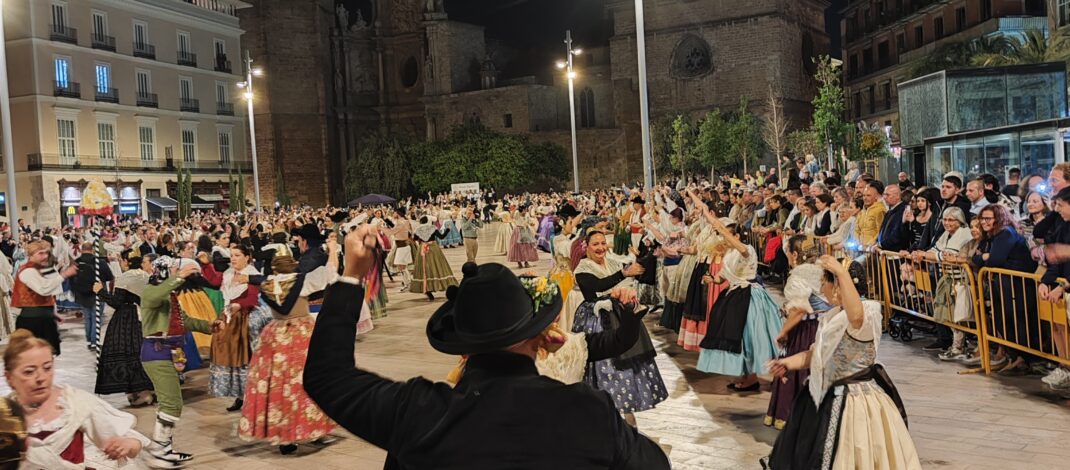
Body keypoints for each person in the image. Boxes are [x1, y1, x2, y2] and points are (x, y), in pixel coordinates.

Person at [303, 227, 670, 469]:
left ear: (462, 346)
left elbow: (327, 378)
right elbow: (654, 464)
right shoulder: (587, 411)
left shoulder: (420, 413)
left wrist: (351, 275)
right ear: (540, 334)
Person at [762, 256, 921, 470]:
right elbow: (815, 355)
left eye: (824, 282)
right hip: (823, 396)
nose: (821, 288)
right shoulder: (832, 316)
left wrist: (841, 272)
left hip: (855, 400)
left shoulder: (867, 312)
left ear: (838, 286)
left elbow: (856, 316)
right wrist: (787, 363)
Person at [239, 243, 339, 455]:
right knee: (310, 380)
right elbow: (331, 273)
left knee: (278, 385)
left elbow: (254, 279)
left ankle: (284, 437)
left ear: (274, 268)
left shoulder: (267, 284)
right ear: (293, 265)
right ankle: (316, 430)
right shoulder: (302, 282)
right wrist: (332, 250)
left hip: (275, 337)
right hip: (302, 335)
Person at [6, 329, 153, 469]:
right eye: (29, 372)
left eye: (47, 368)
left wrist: (126, 444)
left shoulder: (74, 403)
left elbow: (132, 443)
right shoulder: (5, 414)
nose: (41, 378)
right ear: (10, 377)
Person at [573, 230, 668, 425]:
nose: (600, 248)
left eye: (602, 243)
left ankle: (627, 409)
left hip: (620, 314)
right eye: (595, 244)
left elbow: (631, 274)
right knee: (605, 364)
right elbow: (599, 285)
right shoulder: (582, 269)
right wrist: (623, 273)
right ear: (587, 247)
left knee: (628, 357)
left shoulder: (612, 262)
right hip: (597, 320)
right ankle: (604, 409)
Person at [696, 209, 783, 393]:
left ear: (735, 235)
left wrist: (720, 227)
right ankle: (745, 374)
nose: (724, 240)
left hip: (750, 297)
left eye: (728, 236)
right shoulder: (728, 254)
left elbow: (741, 250)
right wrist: (712, 279)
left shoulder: (747, 249)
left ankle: (752, 377)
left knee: (749, 336)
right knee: (736, 335)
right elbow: (722, 277)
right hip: (734, 295)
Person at [139, 257, 215, 467]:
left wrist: (209, 326)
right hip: (156, 352)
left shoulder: (171, 295)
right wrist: (179, 277)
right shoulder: (151, 292)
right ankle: (158, 451)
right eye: (172, 269)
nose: (176, 272)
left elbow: (185, 321)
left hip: (169, 352)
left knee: (169, 402)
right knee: (172, 403)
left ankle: (163, 449)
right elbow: (154, 297)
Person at [764, 235, 828, 431]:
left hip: (807, 330)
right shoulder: (821, 268)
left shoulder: (798, 274)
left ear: (794, 254)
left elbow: (799, 309)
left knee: (797, 369)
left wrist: (783, 332)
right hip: (825, 325)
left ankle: (794, 415)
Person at [199, 245, 261, 412]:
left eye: (237, 255)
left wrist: (238, 305)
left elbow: (252, 299)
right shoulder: (228, 273)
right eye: (232, 255)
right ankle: (239, 395)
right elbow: (214, 281)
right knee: (231, 355)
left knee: (244, 356)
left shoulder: (252, 274)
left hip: (245, 319)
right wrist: (206, 265)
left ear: (247, 257)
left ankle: (250, 395)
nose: (233, 259)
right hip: (229, 316)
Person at [93, 251, 154, 407]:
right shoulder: (146, 276)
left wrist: (100, 291)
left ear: (126, 262)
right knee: (140, 352)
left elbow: (117, 302)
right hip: (144, 317)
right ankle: (144, 390)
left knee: (126, 353)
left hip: (126, 319)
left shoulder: (125, 278)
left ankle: (139, 392)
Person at [11, 240, 78, 354]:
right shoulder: (28, 271)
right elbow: (44, 289)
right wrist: (64, 274)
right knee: (33, 355)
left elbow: (48, 293)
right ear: (30, 255)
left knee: (46, 355)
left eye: (46, 253)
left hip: (43, 319)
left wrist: (52, 313)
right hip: (32, 322)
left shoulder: (40, 268)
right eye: (40, 253)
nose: (45, 256)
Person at [410, 216, 458, 300]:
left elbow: (414, 239)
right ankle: (444, 285)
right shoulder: (432, 228)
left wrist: (421, 241)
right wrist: (448, 229)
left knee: (425, 269)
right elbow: (441, 236)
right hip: (433, 248)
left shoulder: (418, 230)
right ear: (428, 221)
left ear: (420, 222)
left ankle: (427, 290)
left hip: (423, 250)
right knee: (438, 266)